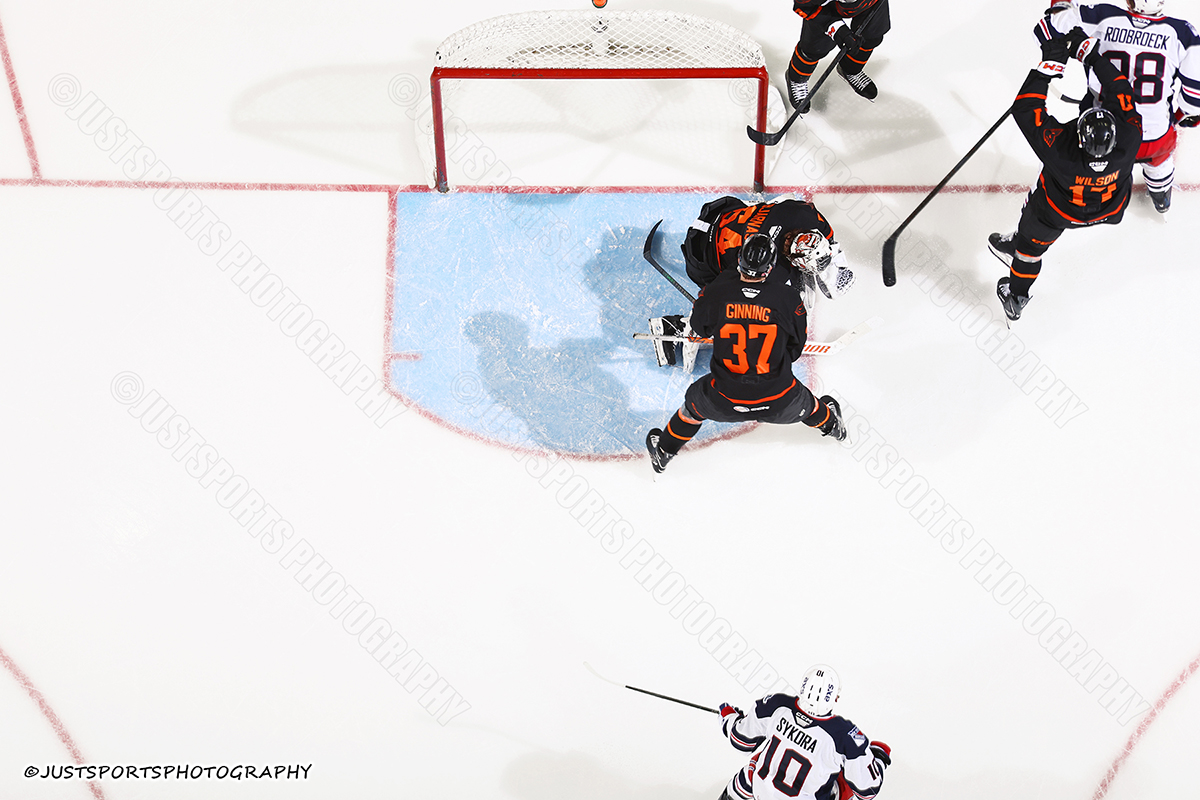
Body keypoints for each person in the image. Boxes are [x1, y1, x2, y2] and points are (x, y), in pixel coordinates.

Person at [645, 234, 845, 474]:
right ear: (770, 268)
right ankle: (835, 428)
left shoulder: (718, 292)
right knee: (810, 406)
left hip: (723, 400)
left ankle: (664, 452)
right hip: (781, 401)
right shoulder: (789, 298)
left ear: (739, 260)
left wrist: (708, 301)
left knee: (691, 410)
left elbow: (699, 327)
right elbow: (794, 349)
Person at [988, 28, 1142, 322]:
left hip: (1057, 214)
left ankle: (1016, 295)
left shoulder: (1060, 149)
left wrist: (1048, 68)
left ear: (1080, 139)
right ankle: (1020, 259)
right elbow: (1122, 93)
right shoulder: (1130, 139)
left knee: (1029, 251)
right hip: (1110, 209)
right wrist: (1092, 57)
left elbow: (1025, 109)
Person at [650, 194, 855, 368]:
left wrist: (828, 267)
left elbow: (828, 241)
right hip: (704, 262)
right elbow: (719, 295)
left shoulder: (805, 216)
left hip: (720, 215)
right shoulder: (769, 271)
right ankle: (673, 325)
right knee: (749, 313)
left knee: (782, 203)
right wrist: (699, 322)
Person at [1034, 0, 1200, 212]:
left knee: (1083, 160)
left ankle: (1084, 202)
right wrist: (1180, 116)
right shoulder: (1183, 33)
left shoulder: (1101, 16)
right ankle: (1161, 199)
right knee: (1159, 157)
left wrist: (1062, 7)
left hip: (1102, 137)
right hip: (1154, 138)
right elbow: (1195, 101)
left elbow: (1045, 30)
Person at [716, 664, 890, 800]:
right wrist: (879, 757)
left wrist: (728, 716)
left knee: (752, 769)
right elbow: (867, 790)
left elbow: (742, 740)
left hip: (760, 794)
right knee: (845, 787)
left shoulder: (776, 705)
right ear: (835, 698)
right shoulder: (844, 736)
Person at [787, 0, 891, 107]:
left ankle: (850, 68)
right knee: (815, 48)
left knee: (872, 33)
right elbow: (804, 6)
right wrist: (836, 29)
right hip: (827, 8)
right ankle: (797, 78)